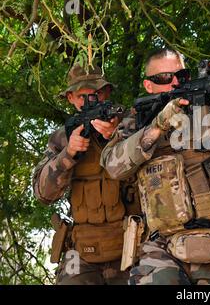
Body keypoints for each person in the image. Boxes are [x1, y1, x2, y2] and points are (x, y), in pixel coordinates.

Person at [100, 48, 210, 285]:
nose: (174, 83)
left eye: (180, 76)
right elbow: (113, 166)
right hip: (161, 247)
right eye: (163, 78)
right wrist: (158, 127)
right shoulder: (136, 125)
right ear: (148, 86)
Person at [32, 63, 138, 285]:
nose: (91, 100)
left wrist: (117, 137)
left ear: (108, 92)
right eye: (82, 96)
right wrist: (68, 154)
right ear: (70, 98)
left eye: (97, 93)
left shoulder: (132, 123)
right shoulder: (62, 137)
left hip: (134, 243)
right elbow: (43, 194)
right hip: (83, 249)